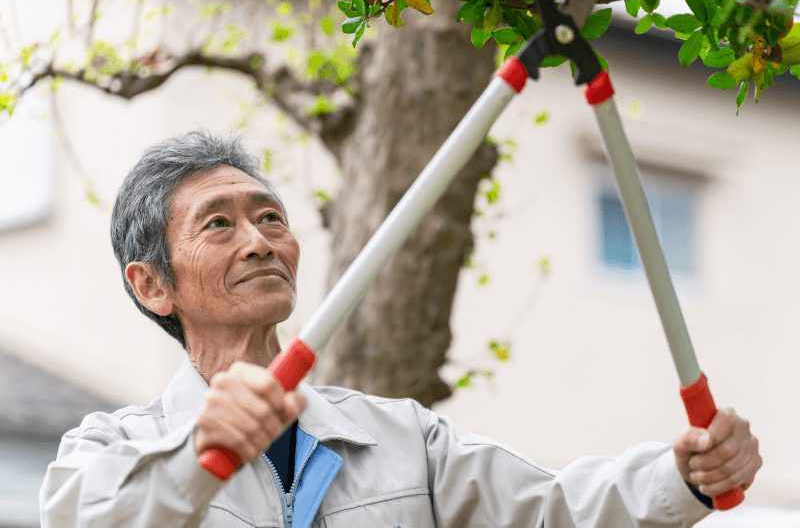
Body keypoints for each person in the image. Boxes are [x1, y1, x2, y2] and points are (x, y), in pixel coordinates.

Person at [40, 131, 762, 528]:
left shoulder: (404, 439)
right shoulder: (109, 453)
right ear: (153, 284)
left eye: (269, 217)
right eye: (219, 223)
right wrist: (200, 450)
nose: (259, 241)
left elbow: (556, 512)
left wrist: (684, 477)